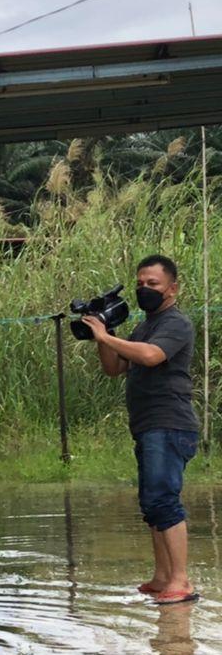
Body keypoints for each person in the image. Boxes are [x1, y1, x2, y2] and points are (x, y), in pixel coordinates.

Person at [88, 254, 199, 605]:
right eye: (139, 284)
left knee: (164, 500)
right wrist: (103, 336)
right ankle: (162, 576)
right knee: (151, 503)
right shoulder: (145, 325)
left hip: (170, 423)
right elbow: (113, 368)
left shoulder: (176, 323)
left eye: (152, 284)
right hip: (148, 425)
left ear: (172, 288)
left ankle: (181, 581)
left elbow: (151, 356)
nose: (144, 289)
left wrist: (108, 336)